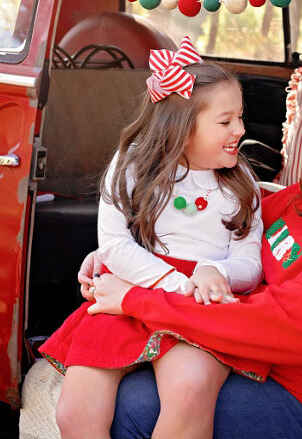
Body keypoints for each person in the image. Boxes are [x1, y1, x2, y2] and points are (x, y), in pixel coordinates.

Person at [84, 75, 302, 439]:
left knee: (136, 408)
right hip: (259, 364)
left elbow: (274, 323)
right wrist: (120, 253)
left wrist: (135, 299)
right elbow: (216, 229)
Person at [39, 37, 266, 439]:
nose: (241, 130)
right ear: (182, 127)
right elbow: (114, 245)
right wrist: (177, 286)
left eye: (240, 118)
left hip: (201, 306)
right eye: (226, 121)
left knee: (190, 391)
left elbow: (251, 263)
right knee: (76, 413)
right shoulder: (130, 166)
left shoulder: (240, 182)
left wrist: (216, 273)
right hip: (137, 288)